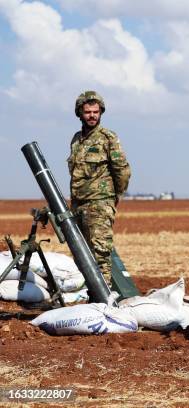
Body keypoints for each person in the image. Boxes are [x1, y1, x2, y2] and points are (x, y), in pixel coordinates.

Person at [68, 90, 131, 284]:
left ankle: (104, 303)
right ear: (80, 113)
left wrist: (114, 197)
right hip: (78, 205)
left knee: (101, 254)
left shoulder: (108, 138)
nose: (92, 115)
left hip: (100, 204)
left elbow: (122, 170)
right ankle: (89, 298)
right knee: (82, 254)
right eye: (88, 112)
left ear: (101, 112)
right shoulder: (76, 140)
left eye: (96, 112)